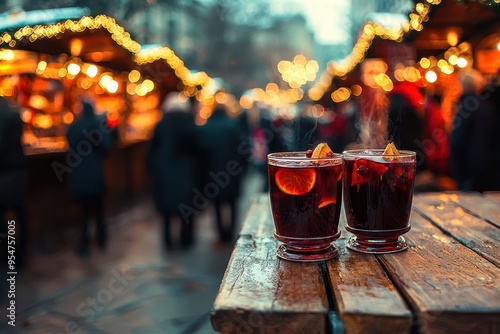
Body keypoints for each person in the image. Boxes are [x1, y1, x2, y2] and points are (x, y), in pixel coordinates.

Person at [146, 92, 207, 249]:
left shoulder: (161, 125)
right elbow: (200, 152)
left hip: (165, 173)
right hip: (187, 174)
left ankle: (168, 241)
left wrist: (153, 169)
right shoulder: (191, 125)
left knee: (166, 210)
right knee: (187, 209)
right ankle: (186, 239)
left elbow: (151, 151)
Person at [66, 98, 113, 256]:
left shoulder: (75, 126)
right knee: (98, 209)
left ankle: (85, 242)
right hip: (95, 174)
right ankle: (102, 240)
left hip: (79, 173)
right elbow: (106, 146)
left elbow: (68, 139)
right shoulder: (97, 126)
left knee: (85, 211)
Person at [200, 104, 246, 242]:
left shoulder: (207, 127)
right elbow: (243, 147)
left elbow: (202, 152)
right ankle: (230, 231)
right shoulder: (233, 125)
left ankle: (220, 232)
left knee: (217, 203)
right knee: (232, 202)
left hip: (213, 172)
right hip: (231, 171)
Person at [450, 71, 500, 192]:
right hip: (490, 168)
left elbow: (457, 141)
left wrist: (456, 170)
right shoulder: (489, 107)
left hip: (469, 169)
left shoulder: (464, 108)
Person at [0, 97, 28, 267]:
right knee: (19, 214)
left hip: (5, 172)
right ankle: (21, 254)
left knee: (3, 215)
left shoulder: (3, 117)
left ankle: (10, 255)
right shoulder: (14, 114)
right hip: (19, 170)